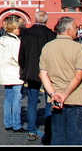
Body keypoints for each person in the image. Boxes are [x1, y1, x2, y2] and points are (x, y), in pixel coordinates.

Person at [39, 17, 82, 146]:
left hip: (56, 100)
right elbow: (78, 75)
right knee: (76, 137)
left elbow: (43, 74)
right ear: (68, 30)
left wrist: (53, 94)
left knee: (58, 137)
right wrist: (65, 94)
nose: (76, 30)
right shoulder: (78, 48)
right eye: (75, 28)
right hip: (76, 98)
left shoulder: (47, 47)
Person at [18, 10, 57, 142]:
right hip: (48, 73)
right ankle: (48, 130)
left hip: (31, 71)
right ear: (46, 20)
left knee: (32, 101)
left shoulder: (27, 33)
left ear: (34, 19)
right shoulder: (51, 34)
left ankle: (31, 130)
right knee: (49, 101)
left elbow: (21, 54)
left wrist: (23, 67)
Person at [0, 15, 26, 133]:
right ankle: (17, 124)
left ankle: (7, 123)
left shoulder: (2, 40)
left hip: (5, 73)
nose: (19, 30)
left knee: (8, 98)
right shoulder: (16, 42)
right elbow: (18, 58)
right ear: (13, 29)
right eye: (18, 28)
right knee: (17, 99)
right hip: (15, 74)